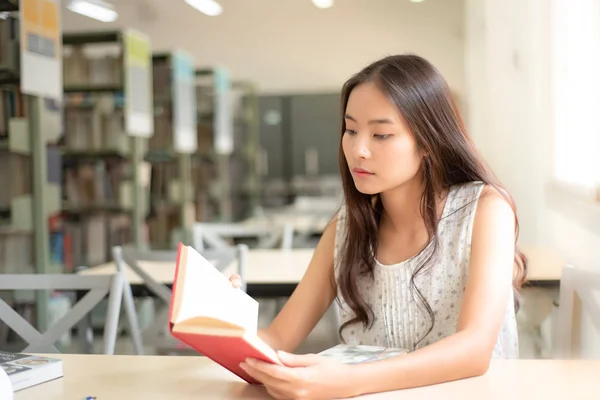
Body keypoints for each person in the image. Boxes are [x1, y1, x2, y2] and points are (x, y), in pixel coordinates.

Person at [229, 54, 527, 399]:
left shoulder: (486, 210)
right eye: (351, 130)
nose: (359, 149)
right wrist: (226, 321)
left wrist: (346, 381)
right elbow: (277, 339)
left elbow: (474, 350)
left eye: (381, 135)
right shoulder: (346, 229)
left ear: (428, 141)